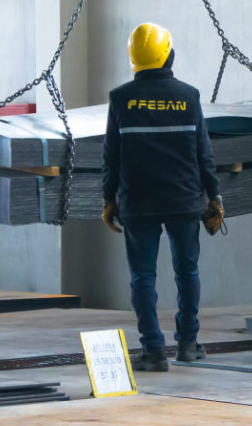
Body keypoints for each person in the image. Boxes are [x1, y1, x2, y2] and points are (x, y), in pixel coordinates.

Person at [102, 22, 223, 372]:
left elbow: (112, 155)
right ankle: (187, 345)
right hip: (184, 200)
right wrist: (214, 195)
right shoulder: (189, 96)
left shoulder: (121, 98)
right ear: (168, 54)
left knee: (143, 277)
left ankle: (153, 351)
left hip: (138, 203)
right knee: (187, 271)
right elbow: (204, 153)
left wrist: (108, 199)